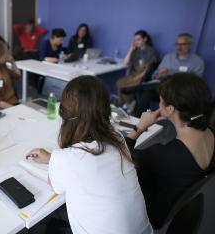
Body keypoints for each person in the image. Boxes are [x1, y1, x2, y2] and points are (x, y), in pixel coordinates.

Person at [27, 75, 152, 234]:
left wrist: (56, 159)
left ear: (65, 116)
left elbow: (54, 185)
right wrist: (54, 158)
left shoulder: (68, 158)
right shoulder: (118, 138)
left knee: (41, 222)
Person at [125, 73, 215, 228]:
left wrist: (139, 127)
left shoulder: (160, 156)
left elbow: (121, 157)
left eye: (160, 101)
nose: (158, 106)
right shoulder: (211, 132)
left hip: (159, 217)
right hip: (189, 212)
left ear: (170, 109)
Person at [132, 33, 205, 117]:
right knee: (146, 91)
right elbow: (154, 76)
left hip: (182, 92)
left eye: (183, 44)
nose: (179, 47)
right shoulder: (168, 58)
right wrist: (159, 74)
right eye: (177, 44)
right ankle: (137, 118)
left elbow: (196, 84)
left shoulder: (198, 61)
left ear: (190, 45)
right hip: (164, 89)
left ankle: (174, 125)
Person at [116, 30, 160, 107]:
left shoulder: (151, 52)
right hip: (134, 74)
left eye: (138, 39)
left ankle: (130, 102)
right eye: (135, 40)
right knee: (119, 82)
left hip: (144, 76)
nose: (136, 42)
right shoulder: (136, 51)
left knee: (127, 84)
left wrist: (135, 78)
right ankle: (128, 102)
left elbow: (148, 70)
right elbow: (125, 62)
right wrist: (131, 49)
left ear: (145, 39)